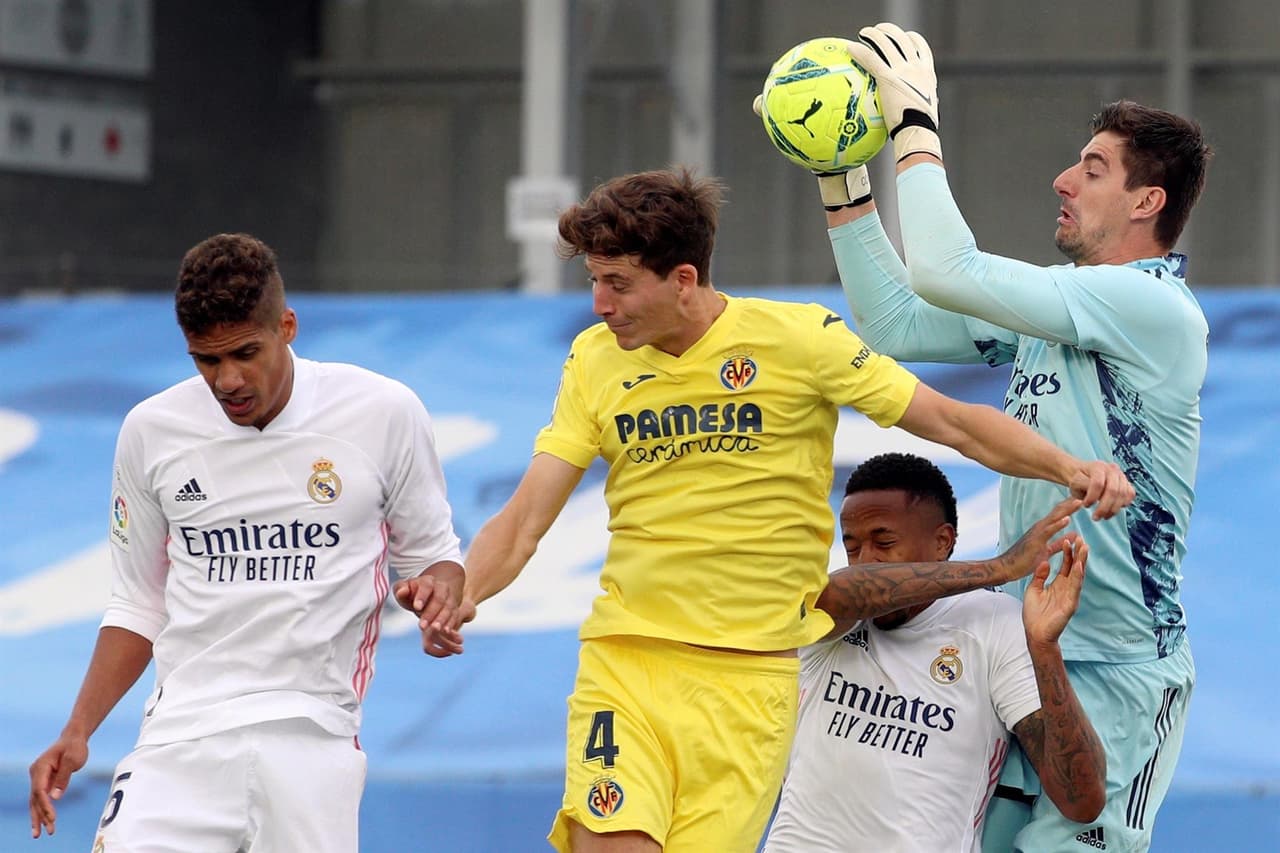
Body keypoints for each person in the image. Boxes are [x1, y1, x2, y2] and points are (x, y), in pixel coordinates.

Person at [436, 167, 1133, 853]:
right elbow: (525, 518)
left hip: (755, 682)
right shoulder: (594, 360)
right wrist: (461, 594)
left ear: (683, 279)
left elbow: (951, 421)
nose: (598, 304)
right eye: (592, 280)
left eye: (617, 283)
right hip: (629, 664)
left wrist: (1072, 467)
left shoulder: (800, 340)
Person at [805, 22, 1213, 852]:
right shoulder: (1065, 308)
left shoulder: (1153, 309)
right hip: (1021, 649)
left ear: (1147, 202)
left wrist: (913, 120)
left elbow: (947, 270)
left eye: (1092, 169)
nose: (1064, 179)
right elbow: (895, 322)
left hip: (1121, 670)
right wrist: (841, 169)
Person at [28, 233, 470, 850]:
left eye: (245, 353)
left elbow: (435, 558)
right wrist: (79, 730)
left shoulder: (384, 411)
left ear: (287, 326)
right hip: (180, 738)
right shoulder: (151, 431)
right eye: (206, 360)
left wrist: (437, 600)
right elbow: (136, 604)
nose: (227, 379)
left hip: (312, 736)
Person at [764, 452, 1105, 853]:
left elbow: (1082, 800)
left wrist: (1044, 649)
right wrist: (1001, 567)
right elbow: (846, 589)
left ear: (942, 541)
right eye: (852, 547)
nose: (865, 561)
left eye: (884, 542)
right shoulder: (830, 615)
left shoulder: (993, 623)